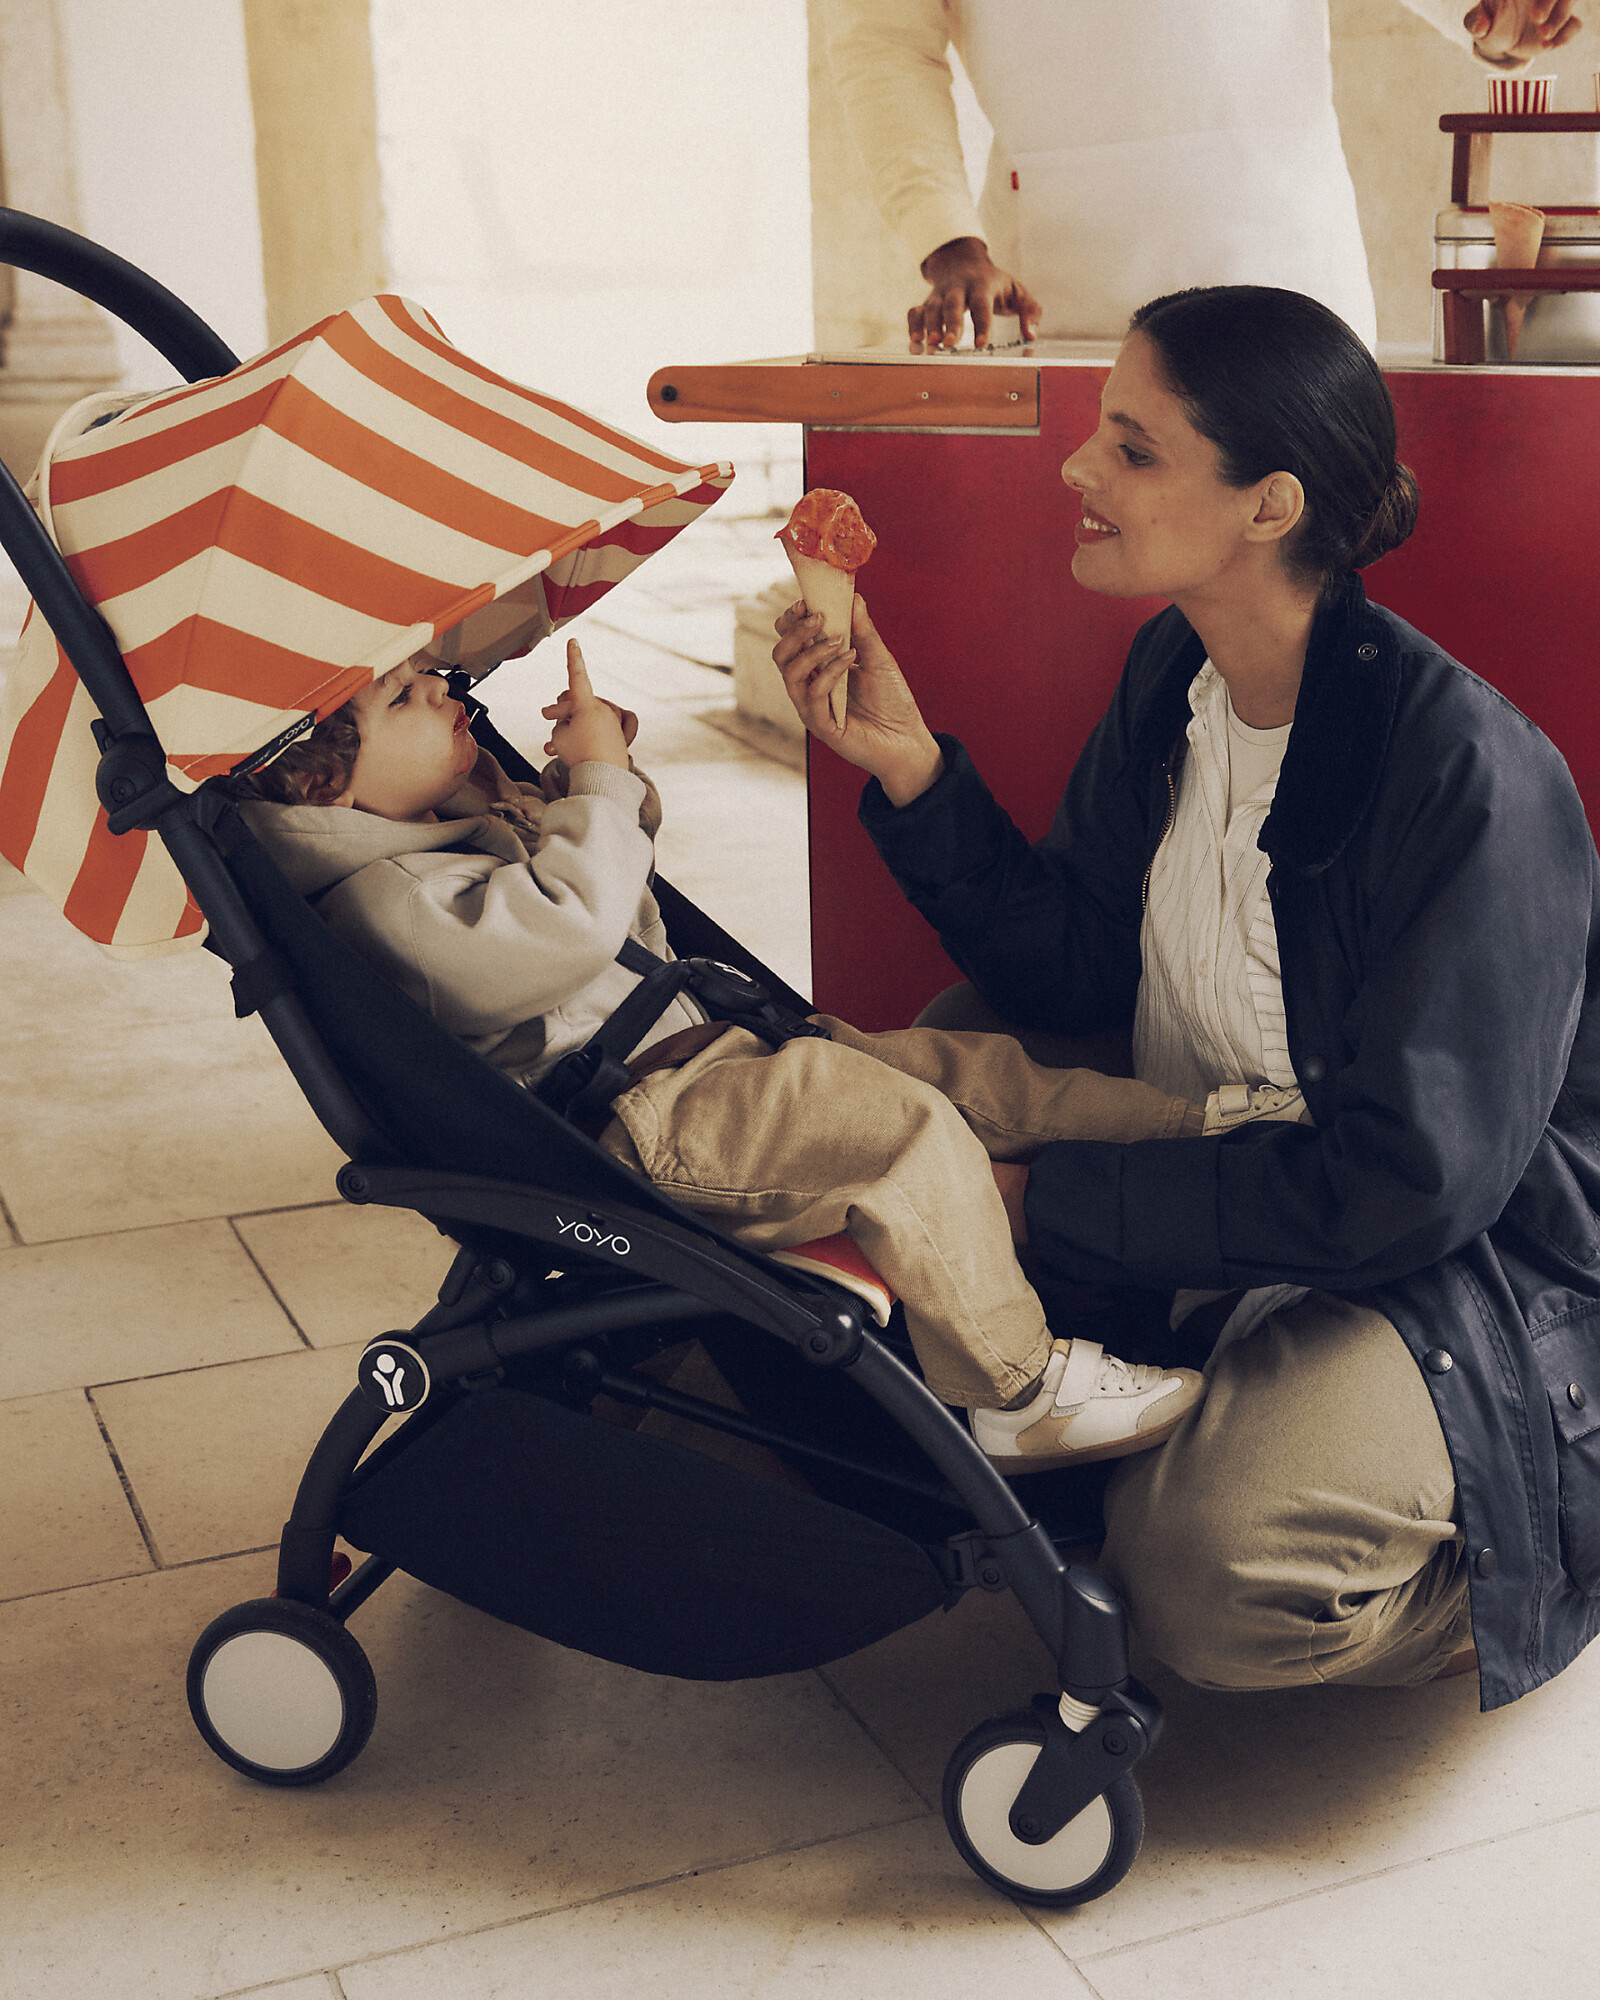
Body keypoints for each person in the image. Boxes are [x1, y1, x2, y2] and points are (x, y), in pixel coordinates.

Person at [772, 283, 1600, 1710]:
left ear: (1268, 506)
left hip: (1442, 1256)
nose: (1076, 467)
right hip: (1210, 1141)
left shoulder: (1467, 777)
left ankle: (1527, 1547)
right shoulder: (1180, 670)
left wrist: (1039, 1202)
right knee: (919, 1064)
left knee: (1202, 1571)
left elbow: (1408, 1187)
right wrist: (909, 768)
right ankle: (1187, 1397)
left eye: (1132, 448)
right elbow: (1079, 969)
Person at [212, 644, 1216, 1470]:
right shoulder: (390, 902)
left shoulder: (442, 830)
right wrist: (598, 787)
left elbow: (618, 896)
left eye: (429, 673)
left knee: (963, 1072)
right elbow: (574, 927)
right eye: (403, 697)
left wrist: (586, 790)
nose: (442, 688)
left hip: (713, 1063)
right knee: (903, 1131)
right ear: (321, 782)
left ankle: (1200, 1121)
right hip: (656, 1120)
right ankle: (1017, 1388)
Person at [824, 0, 1583, 353]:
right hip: (1066, 290)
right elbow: (883, 43)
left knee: (1306, 585)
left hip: (1284, 254)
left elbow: (1489, 13)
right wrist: (946, 238)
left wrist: (1488, 16)